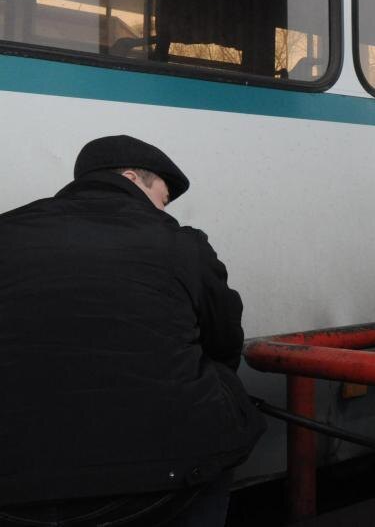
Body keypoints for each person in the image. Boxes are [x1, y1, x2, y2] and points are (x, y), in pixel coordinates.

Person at [0, 135, 264, 526]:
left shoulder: (8, 229)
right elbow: (225, 341)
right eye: (162, 196)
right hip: (162, 484)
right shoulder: (179, 243)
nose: (164, 208)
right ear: (131, 177)